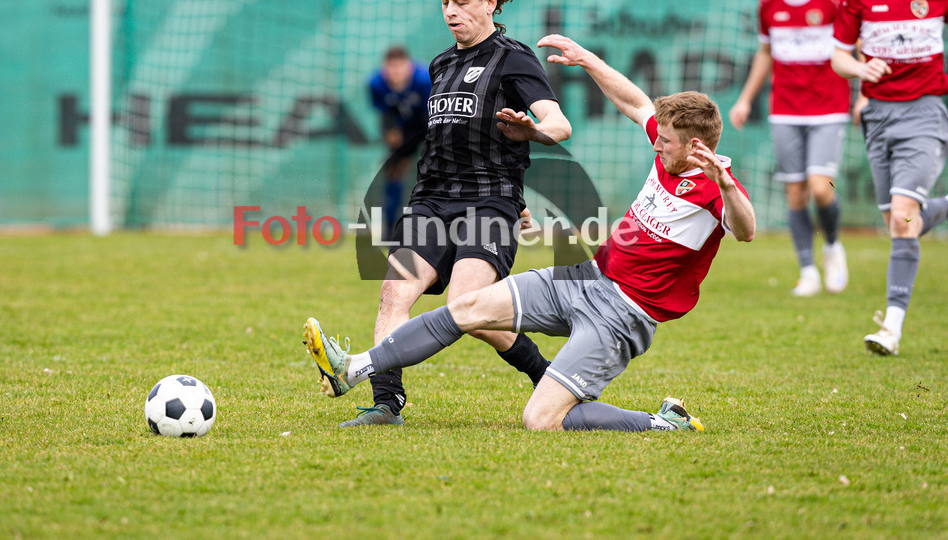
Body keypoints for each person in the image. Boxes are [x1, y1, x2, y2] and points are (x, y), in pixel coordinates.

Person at [304, 34, 755, 433]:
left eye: (666, 141)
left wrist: (728, 185)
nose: (656, 143)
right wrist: (588, 60)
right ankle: (354, 368)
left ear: (696, 146)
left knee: (541, 420)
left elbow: (745, 230)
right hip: (585, 278)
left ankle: (661, 422)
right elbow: (636, 102)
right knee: (467, 306)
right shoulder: (667, 148)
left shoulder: (716, 190)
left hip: (622, 315)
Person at [341, 0, 573, 427]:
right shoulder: (441, 65)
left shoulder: (514, 59)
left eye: (461, 2)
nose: (450, 12)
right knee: (393, 292)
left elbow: (559, 123)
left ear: (490, 2)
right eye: (444, 2)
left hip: (489, 205)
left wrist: (532, 131)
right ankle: (386, 404)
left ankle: (549, 375)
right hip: (430, 201)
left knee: (467, 309)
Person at [830, 0, 948, 357]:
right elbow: (838, 57)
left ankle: (891, 328)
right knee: (902, 223)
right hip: (878, 114)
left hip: (925, 113)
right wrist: (862, 68)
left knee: (902, 218)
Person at [729, 0, 851, 297]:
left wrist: (863, 96)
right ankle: (808, 270)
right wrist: (745, 99)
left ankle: (831, 245)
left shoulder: (832, 1)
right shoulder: (768, 3)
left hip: (829, 108)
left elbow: (850, 51)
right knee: (795, 192)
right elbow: (766, 53)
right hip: (784, 109)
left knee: (821, 185)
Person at [368, 45, 431, 239]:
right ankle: (389, 229)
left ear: (409, 66)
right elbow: (385, 113)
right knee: (393, 170)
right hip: (404, 129)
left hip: (430, 126)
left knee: (433, 171)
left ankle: (435, 226)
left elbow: (433, 113)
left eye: (400, 67)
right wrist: (390, 130)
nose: (395, 73)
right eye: (391, 67)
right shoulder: (376, 83)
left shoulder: (424, 80)